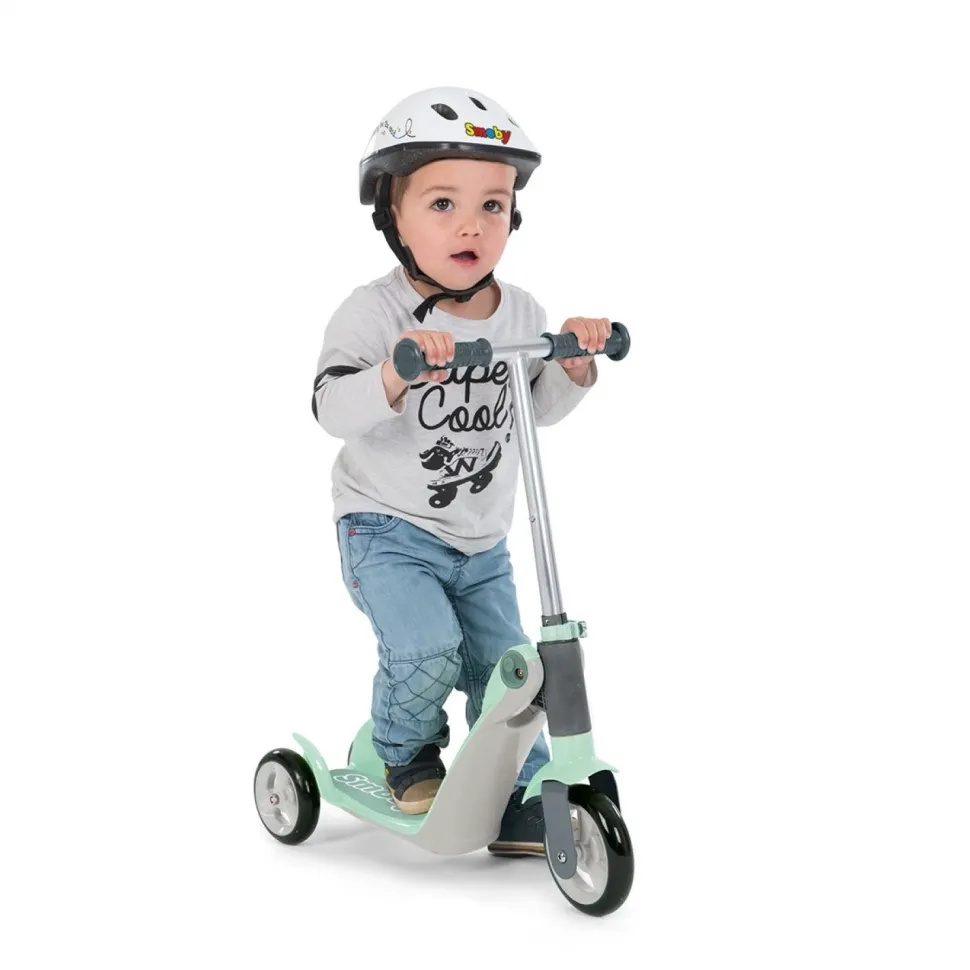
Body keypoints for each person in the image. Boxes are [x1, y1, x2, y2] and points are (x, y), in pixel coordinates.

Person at [312, 86, 611, 856]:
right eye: (442, 203)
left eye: (493, 205)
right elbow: (330, 408)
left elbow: (535, 408)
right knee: (425, 647)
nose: (472, 225)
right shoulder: (372, 313)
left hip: (481, 540)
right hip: (387, 528)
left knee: (508, 668)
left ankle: (521, 790)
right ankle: (406, 751)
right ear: (392, 213)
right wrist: (395, 373)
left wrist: (573, 363)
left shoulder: (520, 313)